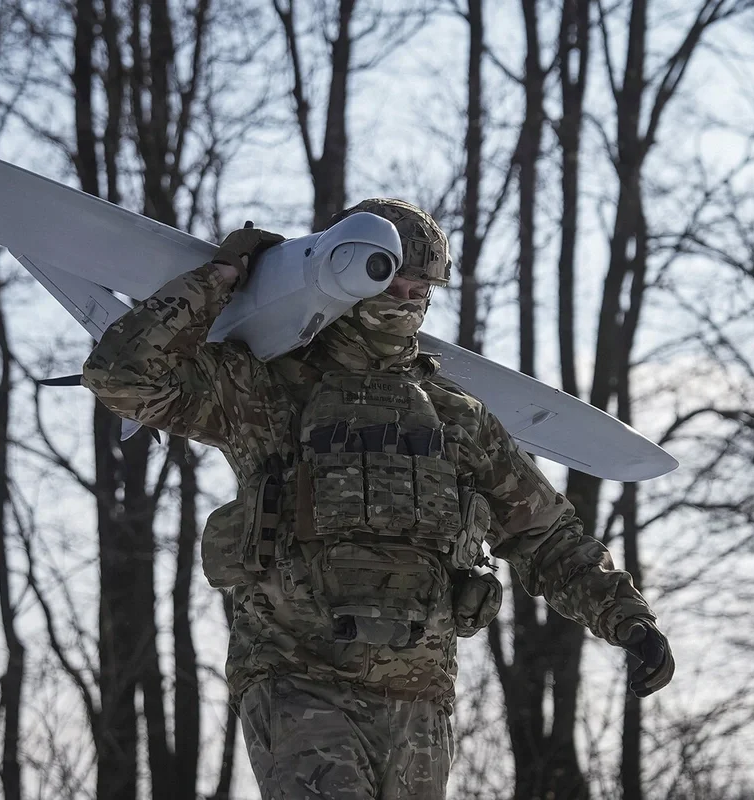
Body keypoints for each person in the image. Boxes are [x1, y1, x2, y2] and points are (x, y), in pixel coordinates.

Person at [83, 199, 674, 800]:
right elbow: (122, 377)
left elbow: (544, 535)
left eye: (423, 285)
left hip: (419, 696)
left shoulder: (455, 417)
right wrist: (220, 281)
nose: (408, 297)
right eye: (395, 278)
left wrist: (627, 619)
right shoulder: (263, 388)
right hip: (298, 680)